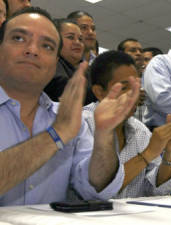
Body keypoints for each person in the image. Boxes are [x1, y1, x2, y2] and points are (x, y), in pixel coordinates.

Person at [0, 7, 139, 206]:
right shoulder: (65, 124)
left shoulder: (71, 119)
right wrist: (56, 135)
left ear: (55, 62)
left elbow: (94, 188)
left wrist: (104, 136)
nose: (32, 50)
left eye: (47, 46)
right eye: (19, 38)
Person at [84, 50, 171, 198]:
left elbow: (157, 191)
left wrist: (169, 153)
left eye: (136, 88)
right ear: (99, 92)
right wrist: (148, 154)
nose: (133, 95)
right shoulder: (82, 125)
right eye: (124, 88)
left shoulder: (140, 130)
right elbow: (95, 190)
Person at [44, 18, 84, 101]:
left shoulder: (85, 70)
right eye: (70, 37)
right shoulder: (54, 71)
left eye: (80, 39)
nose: (77, 42)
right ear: (54, 39)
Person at [117, 38, 147, 122]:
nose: (138, 53)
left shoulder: (149, 78)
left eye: (141, 51)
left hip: (145, 130)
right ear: (121, 54)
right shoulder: (114, 78)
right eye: (133, 50)